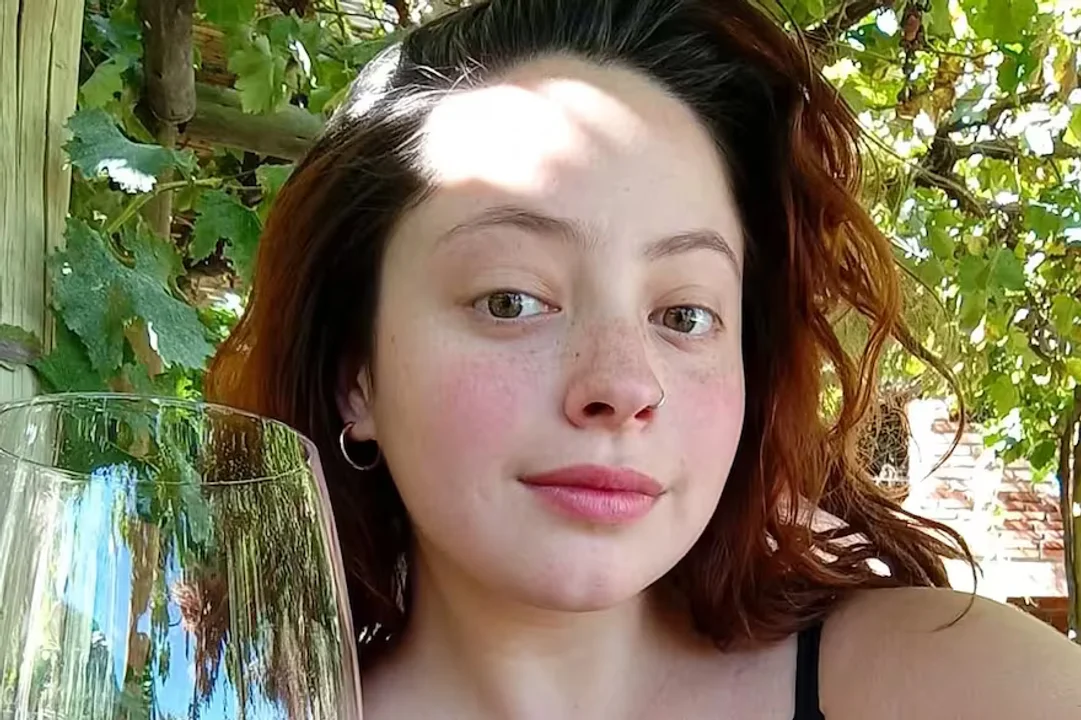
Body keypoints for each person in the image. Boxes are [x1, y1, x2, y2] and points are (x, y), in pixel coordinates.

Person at [206, 0, 1081, 717]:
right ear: (353, 376)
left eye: (684, 314)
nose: (622, 386)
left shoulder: (966, 687)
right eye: (511, 300)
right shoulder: (232, 705)